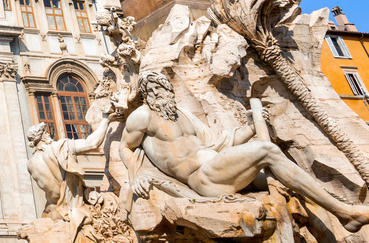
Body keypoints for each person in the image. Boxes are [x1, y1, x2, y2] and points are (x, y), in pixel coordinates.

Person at [121, 72, 369, 233]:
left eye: (162, 87)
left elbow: (221, 142)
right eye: (151, 89)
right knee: (267, 150)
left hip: (217, 167)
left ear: (169, 90)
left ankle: (329, 232)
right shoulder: (142, 117)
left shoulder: (182, 115)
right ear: (145, 94)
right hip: (202, 178)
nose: (157, 93)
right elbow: (125, 147)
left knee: (290, 185)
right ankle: (345, 212)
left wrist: (252, 127)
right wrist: (137, 176)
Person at [27, 116, 111, 221]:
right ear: (42, 136)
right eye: (45, 132)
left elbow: (53, 192)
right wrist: (106, 119)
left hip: (52, 212)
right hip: (73, 207)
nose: (48, 134)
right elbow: (92, 143)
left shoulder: (31, 163)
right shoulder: (59, 148)